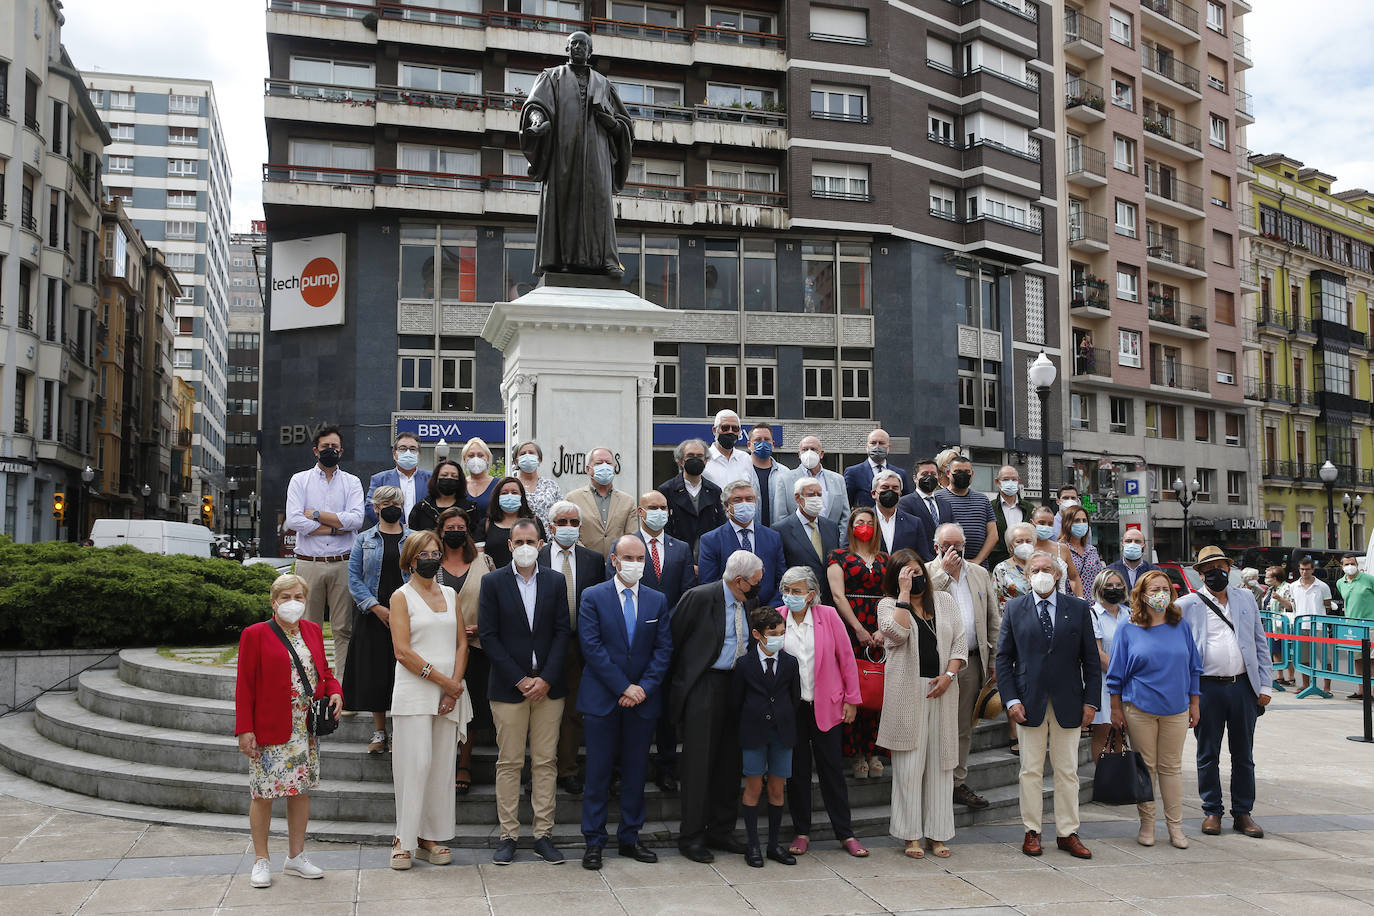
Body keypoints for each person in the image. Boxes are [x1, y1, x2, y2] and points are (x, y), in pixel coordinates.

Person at [234, 574, 343, 888]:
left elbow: (323, 672)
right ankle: (261, 859)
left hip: (304, 728)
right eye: (285, 597)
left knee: (300, 791)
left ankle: (296, 856)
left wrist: (335, 690)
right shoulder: (254, 635)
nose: (292, 603)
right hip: (269, 726)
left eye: (298, 596)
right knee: (264, 794)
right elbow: (245, 686)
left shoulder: (311, 630)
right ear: (273, 601)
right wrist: (245, 729)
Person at [478, 519, 572, 865]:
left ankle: (543, 834)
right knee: (510, 762)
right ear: (509, 545)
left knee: (546, 762)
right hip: (508, 687)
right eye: (518, 541)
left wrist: (545, 678)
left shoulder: (556, 581)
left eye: (531, 540)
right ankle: (508, 835)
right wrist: (520, 679)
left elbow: (563, 632)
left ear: (542, 543)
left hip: (549, 687)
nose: (525, 546)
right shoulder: (492, 582)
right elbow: (488, 635)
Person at [996, 550, 1100, 860]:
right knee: (1030, 770)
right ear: (1026, 576)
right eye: (1035, 569)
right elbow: (1004, 659)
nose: (1041, 573)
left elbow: (1091, 660)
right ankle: (1032, 830)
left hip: (1069, 700)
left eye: (1047, 569)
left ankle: (1068, 832)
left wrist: (1091, 701)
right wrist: (1011, 699)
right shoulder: (1014, 609)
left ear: (1057, 574)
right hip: (1028, 702)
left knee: (1067, 771)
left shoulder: (1078, 609)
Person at [578, 536, 673, 870]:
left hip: (642, 702)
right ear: (614, 560)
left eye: (640, 557)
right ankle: (594, 841)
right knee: (598, 773)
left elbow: (663, 650)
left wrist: (642, 688)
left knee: (635, 773)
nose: (635, 563)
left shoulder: (657, 600)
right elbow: (591, 647)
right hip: (603, 698)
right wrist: (624, 686)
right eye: (628, 557)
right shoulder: (592, 596)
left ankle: (630, 837)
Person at [668, 549, 762, 862]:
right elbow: (674, 640)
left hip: (737, 685)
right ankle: (691, 836)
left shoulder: (750, 602)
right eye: (755, 583)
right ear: (739, 581)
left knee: (729, 763)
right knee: (698, 763)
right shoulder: (699, 597)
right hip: (704, 685)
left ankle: (721, 830)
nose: (759, 588)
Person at [387, 531, 471, 870]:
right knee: (414, 765)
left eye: (436, 552)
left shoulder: (451, 593)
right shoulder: (400, 596)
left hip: (449, 694)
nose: (432, 557)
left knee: (439, 769)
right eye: (425, 553)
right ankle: (401, 838)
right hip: (415, 692)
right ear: (410, 559)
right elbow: (402, 652)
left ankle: (428, 838)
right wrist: (445, 683)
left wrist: (454, 687)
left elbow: (462, 644)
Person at [518, 30, 632, 277]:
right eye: (574, 44)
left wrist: (611, 123)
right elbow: (536, 105)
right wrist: (538, 121)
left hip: (597, 156)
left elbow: (625, 124)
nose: (578, 47)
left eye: (583, 44)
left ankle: (606, 260)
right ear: (567, 49)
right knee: (565, 202)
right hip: (564, 152)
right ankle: (563, 260)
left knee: (600, 202)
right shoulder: (551, 77)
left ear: (590, 51)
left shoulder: (603, 83)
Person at [1177, 545, 1272, 840]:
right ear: (1201, 573)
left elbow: (1259, 641)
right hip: (1206, 687)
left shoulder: (1245, 598)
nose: (1216, 573)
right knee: (1208, 753)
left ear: (1229, 569)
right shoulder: (1187, 604)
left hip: (1243, 685)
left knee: (1243, 753)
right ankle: (1212, 811)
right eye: (1209, 569)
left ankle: (1243, 812)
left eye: (1221, 567)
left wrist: (1265, 684)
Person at [879, 548, 966, 859]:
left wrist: (949, 676)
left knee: (941, 763)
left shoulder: (943, 600)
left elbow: (959, 640)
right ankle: (910, 835)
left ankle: (938, 834)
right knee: (909, 767)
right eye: (906, 574)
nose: (913, 579)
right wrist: (903, 594)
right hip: (906, 692)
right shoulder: (887, 604)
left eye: (917, 573)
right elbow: (896, 634)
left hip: (942, 687)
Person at [776, 566, 867, 858]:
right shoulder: (777, 618)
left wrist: (851, 699)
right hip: (793, 709)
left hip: (827, 705)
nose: (790, 596)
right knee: (797, 772)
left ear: (811, 594)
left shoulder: (828, 616)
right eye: (787, 591)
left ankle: (846, 833)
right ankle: (801, 831)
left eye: (797, 591)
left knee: (832, 772)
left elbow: (846, 659)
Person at [1107, 569, 1202, 850]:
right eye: (1154, 590)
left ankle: (1176, 827)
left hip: (1176, 708)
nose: (1161, 594)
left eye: (1165, 589)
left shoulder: (1180, 625)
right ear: (1142, 594)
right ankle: (1147, 823)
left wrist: (1195, 702)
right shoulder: (1129, 626)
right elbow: (1116, 673)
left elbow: (1194, 666)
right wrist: (1115, 708)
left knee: (1171, 768)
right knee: (1146, 768)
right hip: (1139, 707)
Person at [925, 523, 1000, 811]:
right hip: (936, 664)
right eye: (948, 546)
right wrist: (944, 572)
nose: (955, 551)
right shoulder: (927, 572)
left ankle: (956, 782)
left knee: (963, 727)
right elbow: (925, 604)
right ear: (937, 547)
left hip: (972, 660)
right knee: (935, 725)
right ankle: (933, 781)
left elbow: (993, 619)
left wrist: (993, 660)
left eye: (960, 545)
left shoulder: (979, 574)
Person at [284, 425, 366, 682]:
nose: (330, 451)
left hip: (343, 564)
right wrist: (333, 530)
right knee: (308, 627)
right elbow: (294, 520)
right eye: (325, 447)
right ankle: (311, 683)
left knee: (344, 629)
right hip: (308, 564)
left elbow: (355, 521)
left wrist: (317, 515)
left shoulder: (352, 482)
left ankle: (342, 685)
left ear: (341, 451)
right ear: (315, 451)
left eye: (334, 447)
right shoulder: (300, 480)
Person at [629, 489, 697, 793]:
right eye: (652, 507)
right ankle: (630, 767)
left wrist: (665, 626)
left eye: (663, 507)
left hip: (669, 639)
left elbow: (687, 593)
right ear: (641, 512)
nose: (659, 512)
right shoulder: (627, 546)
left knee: (668, 709)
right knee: (635, 709)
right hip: (634, 639)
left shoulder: (681, 548)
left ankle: (667, 766)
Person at [539, 499, 609, 795]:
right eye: (562, 522)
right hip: (542, 646)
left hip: (580, 646)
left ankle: (567, 769)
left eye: (573, 523)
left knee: (572, 712)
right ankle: (540, 770)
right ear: (551, 526)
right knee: (540, 712)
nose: (568, 528)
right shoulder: (536, 556)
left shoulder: (593, 560)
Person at [733, 605, 801, 868]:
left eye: (782, 632)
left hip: (782, 734)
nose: (779, 637)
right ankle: (753, 845)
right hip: (753, 733)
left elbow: (794, 698)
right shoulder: (744, 664)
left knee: (776, 788)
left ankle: (773, 844)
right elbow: (736, 702)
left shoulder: (790, 662)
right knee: (753, 787)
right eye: (773, 633)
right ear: (757, 635)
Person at [345, 485, 410, 754]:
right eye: (386, 502)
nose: (392, 506)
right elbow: (354, 578)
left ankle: (398, 733)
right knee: (376, 675)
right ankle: (379, 732)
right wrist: (375, 607)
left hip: (406, 615)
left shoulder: (413, 538)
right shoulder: (364, 539)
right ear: (376, 507)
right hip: (373, 616)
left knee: (401, 674)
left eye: (397, 501)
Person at [436, 507, 495, 795]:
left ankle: (465, 763)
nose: (455, 532)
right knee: (442, 707)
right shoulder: (430, 562)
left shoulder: (484, 561)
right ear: (441, 531)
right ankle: (441, 764)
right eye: (450, 528)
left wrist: (481, 628)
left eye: (461, 527)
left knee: (470, 710)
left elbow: (499, 600)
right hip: (438, 649)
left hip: (477, 648)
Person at [826, 507, 889, 778]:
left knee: (877, 688)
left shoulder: (886, 559)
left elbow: (892, 594)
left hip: (880, 628)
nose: (864, 526)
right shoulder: (838, 557)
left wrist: (884, 630)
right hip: (850, 627)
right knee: (853, 688)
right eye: (859, 522)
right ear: (851, 526)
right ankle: (855, 754)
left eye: (869, 523)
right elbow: (838, 597)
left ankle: (874, 751)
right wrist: (858, 628)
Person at [699, 479, 786, 606]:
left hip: (768, 612)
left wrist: (770, 611)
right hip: (729, 610)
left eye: (749, 499)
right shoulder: (711, 540)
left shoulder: (773, 537)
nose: (744, 503)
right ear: (726, 505)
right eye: (738, 500)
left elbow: (781, 580)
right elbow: (709, 584)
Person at [992, 522, 1039, 753]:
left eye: (1028, 540)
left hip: (1039, 629)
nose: (1024, 545)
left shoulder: (1042, 566)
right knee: (1013, 677)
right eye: (1019, 541)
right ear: (1011, 546)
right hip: (1010, 628)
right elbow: (994, 600)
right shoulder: (1001, 569)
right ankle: (1014, 731)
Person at [773, 477, 841, 607]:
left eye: (819, 494)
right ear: (798, 498)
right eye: (811, 494)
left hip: (829, 602)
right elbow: (780, 570)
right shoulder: (781, 529)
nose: (816, 498)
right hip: (798, 602)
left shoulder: (831, 527)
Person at [658, 438, 727, 559]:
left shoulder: (715, 491)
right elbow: (664, 529)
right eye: (690, 456)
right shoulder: (666, 490)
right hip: (677, 558)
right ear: (680, 461)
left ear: (706, 461)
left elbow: (720, 527)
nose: (695, 459)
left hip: (708, 557)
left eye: (699, 456)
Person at [1087, 568, 1128, 761]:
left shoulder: (1130, 614)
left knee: (1122, 732)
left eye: (1118, 585)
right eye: (1109, 585)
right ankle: (1103, 780)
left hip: (1130, 683)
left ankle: (1118, 777)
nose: (1114, 589)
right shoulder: (1092, 615)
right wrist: (1121, 673)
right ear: (1099, 588)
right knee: (1103, 732)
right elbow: (1097, 653)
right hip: (1105, 683)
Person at [566, 447, 637, 556]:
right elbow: (571, 534)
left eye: (608, 463)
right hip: (585, 562)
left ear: (614, 468)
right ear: (588, 469)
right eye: (599, 463)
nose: (604, 466)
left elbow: (631, 536)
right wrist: (590, 558)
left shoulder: (628, 501)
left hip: (616, 564)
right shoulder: (572, 499)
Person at [770, 435, 849, 532]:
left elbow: (845, 517)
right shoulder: (785, 479)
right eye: (805, 449)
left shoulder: (838, 480)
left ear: (821, 454)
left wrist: (839, 542)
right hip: (797, 541)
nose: (809, 453)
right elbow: (780, 516)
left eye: (813, 449)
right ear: (799, 454)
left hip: (831, 542)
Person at [934, 456, 996, 568]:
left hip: (978, 567)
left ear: (972, 473)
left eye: (966, 472)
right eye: (957, 471)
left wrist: (978, 560)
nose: (962, 475)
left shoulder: (983, 499)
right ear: (948, 472)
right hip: (945, 566)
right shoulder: (937, 498)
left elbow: (993, 535)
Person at [1280, 555, 1330, 691]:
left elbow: (1328, 606)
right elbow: (1292, 605)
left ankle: (1327, 688)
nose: (1304, 572)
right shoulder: (1293, 586)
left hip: (1319, 625)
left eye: (1307, 569)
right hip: (1301, 625)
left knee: (1325, 658)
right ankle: (1306, 684)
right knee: (1303, 657)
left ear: (1313, 570)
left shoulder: (1322, 586)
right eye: (1302, 569)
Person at [364, 433, 431, 528]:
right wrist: (392, 528)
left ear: (419, 455)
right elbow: (371, 507)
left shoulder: (431, 479)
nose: (408, 452)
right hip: (391, 535)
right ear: (394, 454)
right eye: (403, 448)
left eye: (412, 449)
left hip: (423, 537)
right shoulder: (380, 479)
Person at [482, 476, 545, 569]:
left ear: (521, 496)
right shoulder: (486, 524)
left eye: (514, 492)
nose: (510, 496)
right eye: (504, 493)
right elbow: (480, 558)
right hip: (494, 579)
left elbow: (543, 554)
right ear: (497, 497)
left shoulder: (535, 522)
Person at [872, 469, 933, 561]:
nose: (890, 491)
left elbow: (923, 557)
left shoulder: (914, 523)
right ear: (873, 493)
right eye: (885, 487)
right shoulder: (862, 520)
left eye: (895, 488)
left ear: (900, 494)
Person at [1337, 554, 1374, 698]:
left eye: (1352, 563)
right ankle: (1361, 690)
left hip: (1370, 625)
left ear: (1357, 565)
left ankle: (1372, 691)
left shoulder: (1369, 580)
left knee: (1371, 660)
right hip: (1352, 626)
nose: (1349, 566)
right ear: (1342, 567)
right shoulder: (1341, 583)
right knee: (1357, 659)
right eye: (1346, 564)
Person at [844, 427, 909, 509]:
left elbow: (905, 504)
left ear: (889, 448)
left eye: (881, 443)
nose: (877, 446)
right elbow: (846, 503)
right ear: (867, 447)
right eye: (873, 443)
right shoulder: (853, 472)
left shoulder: (900, 473)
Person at [897, 458, 950, 557]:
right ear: (915, 478)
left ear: (938, 477)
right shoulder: (905, 503)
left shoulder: (946, 504)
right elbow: (907, 536)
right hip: (920, 562)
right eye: (924, 474)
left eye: (933, 474)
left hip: (945, 561)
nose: (929, 478)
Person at [1031, 505, 1084, 597]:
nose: (1046, 527)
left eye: (1050, 524)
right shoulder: (1025, 550)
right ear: (1032, 523)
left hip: (1060, 604)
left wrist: (1080, 599)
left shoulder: (1062, 549)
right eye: (1042, 523)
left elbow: (1074, 577)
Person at [408, 460, 474, 533]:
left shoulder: (470, 509)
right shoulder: (422, 508)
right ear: (436, 479)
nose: (449, 478)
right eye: (444, 475)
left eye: (454, 476)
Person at [988, 466, 1034, 569]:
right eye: (1005, 479)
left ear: (1018, 481)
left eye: (1014, 479)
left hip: (1026, 566)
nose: (1010, 482)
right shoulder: (990, 507)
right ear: (997, 482)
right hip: (996, 565)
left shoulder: (1029, 508)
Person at [513, 440, 563, 530]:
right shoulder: (511, 485)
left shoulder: (551, 486)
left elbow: (561, 512)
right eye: (523, 454)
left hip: (548, 538)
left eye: (531, 453)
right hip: (520, 537)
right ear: (516, 461)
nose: (527, 456)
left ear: (539, 459)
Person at [749, 423, 789, 526]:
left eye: (766, 439)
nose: (762, 443)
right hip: (749, 533)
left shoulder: (785, 473)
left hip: (778, 534)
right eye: (758, 440)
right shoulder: (741, 470)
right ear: (749, 445)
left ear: (773, 444)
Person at [702, 410, 753, 490]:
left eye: (735, 428)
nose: (730, 431)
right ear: (715, 430)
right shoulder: (703, 458)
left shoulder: (746, 459)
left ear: (739, 432)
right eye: (725, 428)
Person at [1060, 505, 1103, 597]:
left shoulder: (1092, 550)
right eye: (1077, 520)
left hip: (1092, 605)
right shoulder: (1060, 549)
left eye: (1084, 520)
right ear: (1067, 523)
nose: (1081, 524)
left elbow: (1100, 579)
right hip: (1069, 603)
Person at [461, 438, 498, 515]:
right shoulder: (459, 484)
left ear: (487, 458)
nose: (476, 459)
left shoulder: (499, 484)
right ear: (464, 459)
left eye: (480, 455)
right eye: (471, 455)